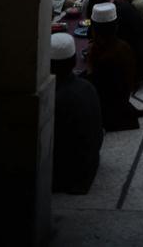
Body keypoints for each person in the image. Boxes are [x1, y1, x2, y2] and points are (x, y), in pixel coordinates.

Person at [50, 33, 102, 194]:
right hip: (91, 162)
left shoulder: (56, 99)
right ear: (74, 61)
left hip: (71, 175)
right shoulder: (87, 87)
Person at [85, 2, 143, 131]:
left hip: (110, 107)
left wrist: (90, 63)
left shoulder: (106, 57)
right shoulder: (123, 46)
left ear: (95, 30)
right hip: (123, 98)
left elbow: (92, 87)